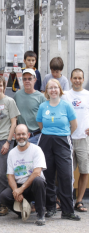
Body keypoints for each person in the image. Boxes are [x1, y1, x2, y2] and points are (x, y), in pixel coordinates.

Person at [36, 79, 81, 221]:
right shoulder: (43, 106)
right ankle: (50, 208)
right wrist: (50, 134)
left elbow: (74, 125)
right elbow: (40, 124)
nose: (53, 90)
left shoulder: (66, 106)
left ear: (60, 89)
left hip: (63, 140)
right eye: (50, 88)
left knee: (65, 175)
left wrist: (63, 134)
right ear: (47, 91)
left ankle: (67, 210)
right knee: (48, 175)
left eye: (56, 87)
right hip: (46, 140)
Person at [0, 124, 47, 226]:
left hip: (34, 186)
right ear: (14, 136)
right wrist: (16, 190)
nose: (21, 137)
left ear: (28, 135)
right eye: (18, 134)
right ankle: (22, 212)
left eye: (23, 134)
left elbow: (37, 172)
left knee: (38, 181)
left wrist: (22, 189)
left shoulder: (36, 150)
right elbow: (10, 175)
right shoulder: (12, 153)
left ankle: (40, 214)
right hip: (20, 185)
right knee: (4, 196)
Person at [0, 76, 20, 216]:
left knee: (3, 173)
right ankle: (2, 200)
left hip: (4, 140)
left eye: (1, 85)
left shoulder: (10, 101)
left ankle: (5, 203)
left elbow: (14, 123)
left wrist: (9, 142)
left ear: (4, 86)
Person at [61, 68, 89, 212]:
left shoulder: (87, 95)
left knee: (84, 171)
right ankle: (64, 200)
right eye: (75, 78)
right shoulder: (65, 95)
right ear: (71, 79)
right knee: (66, 172)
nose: (77, 80)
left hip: (83, 138)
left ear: (83, 79)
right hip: (68, 138)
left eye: (80, 78)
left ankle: (79, 201)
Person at [14, 69, 46, 144]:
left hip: (36, 136)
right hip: (21, 137)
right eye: (25, 79)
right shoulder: (17, 95)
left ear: (35, 80)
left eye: (29, 79)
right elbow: (14, 116)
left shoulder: (41, 97)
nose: (27, 81)